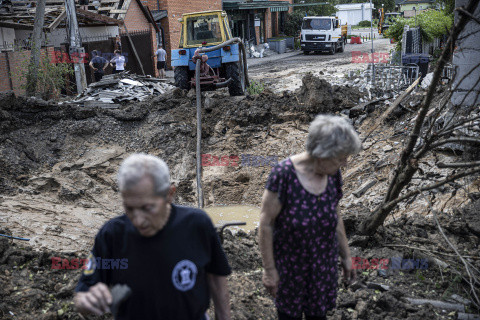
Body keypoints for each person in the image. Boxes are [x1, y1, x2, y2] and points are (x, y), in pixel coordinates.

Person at [73, 153, 232, 320]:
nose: (138, 220)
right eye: (130, 208)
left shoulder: (197, 225)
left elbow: (216, 276)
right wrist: (87, 300)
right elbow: (82, 297)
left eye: (147, 208)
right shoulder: (112, 235)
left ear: (169, 194)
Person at [259, 114, 361, 320]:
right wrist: (269, 270)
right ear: (322, 154)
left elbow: (335, 213)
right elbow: (265, 224)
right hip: (290, 270)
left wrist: (346, 256)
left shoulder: (333, 174)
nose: (345, 163)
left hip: (323, 267)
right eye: (341, 158)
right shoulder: (284, 175)